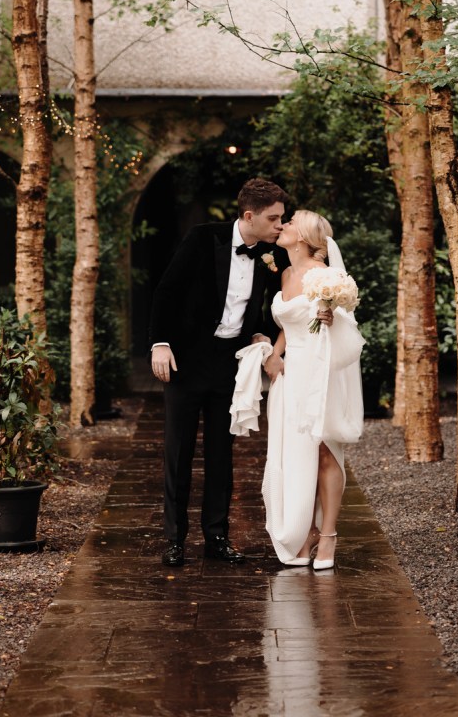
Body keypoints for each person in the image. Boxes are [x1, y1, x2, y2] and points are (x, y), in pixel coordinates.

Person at [149, 177, 289, 567]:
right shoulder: (201, 238)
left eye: (282, 218)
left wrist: (259, 334)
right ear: (249, 215)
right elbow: (166, 291)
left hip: (230, 362)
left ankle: (217, 537)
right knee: (178, 450)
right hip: (186, 361)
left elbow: (255, 310)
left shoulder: (269, 254)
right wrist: (160, 342)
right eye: (274, 218)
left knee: (221, 453)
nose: (281, 225)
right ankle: (174, 539)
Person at [262, 210, 364, 570]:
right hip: (290, 376)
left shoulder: (327, 277)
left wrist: (332, 318)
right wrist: (274, 354)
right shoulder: (286, 273)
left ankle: (329, 537)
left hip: (319, 371)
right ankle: (304, 532)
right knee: (295, 454)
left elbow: (347, 325)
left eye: (289, 223)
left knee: (323, 451)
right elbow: (290, 325)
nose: (282, 225)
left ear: (303, 237)